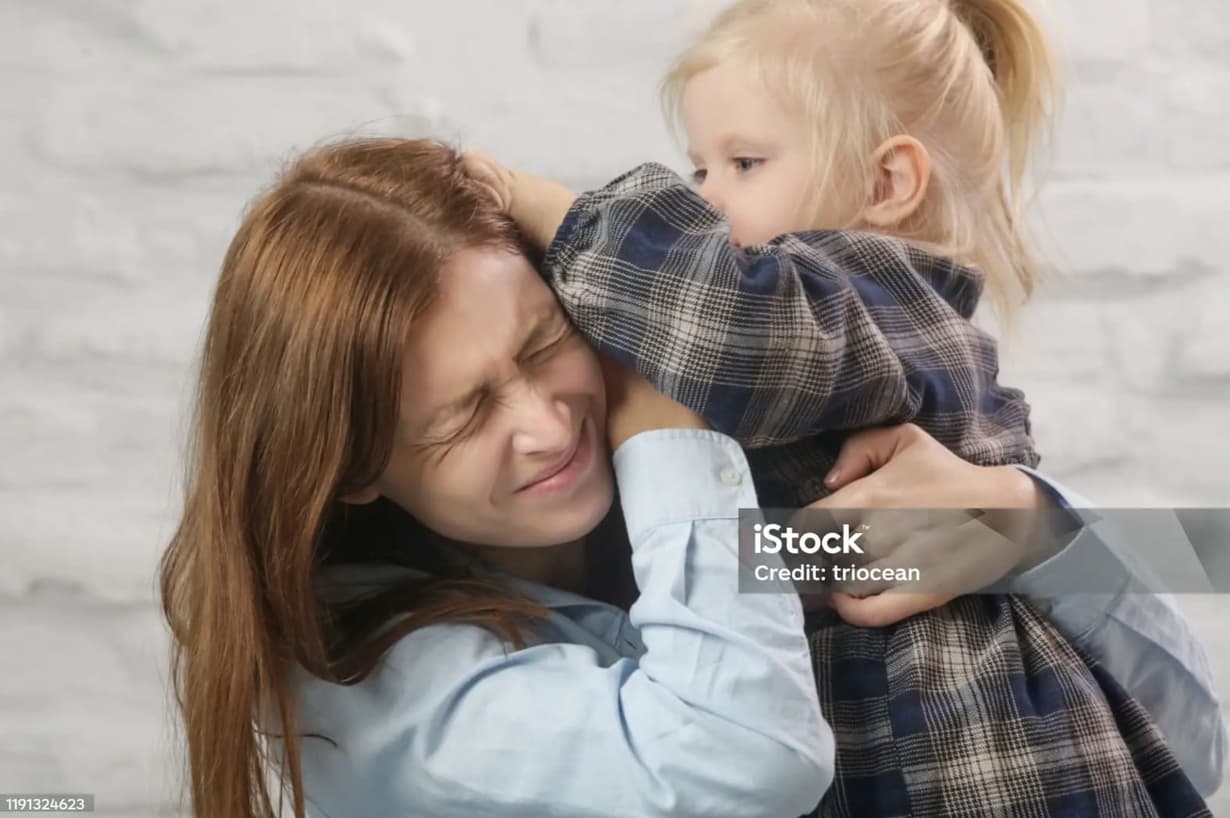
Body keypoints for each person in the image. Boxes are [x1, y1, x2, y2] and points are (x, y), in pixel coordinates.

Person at [160, 137, 1224, 818]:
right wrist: (666, 391)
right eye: (463, 413)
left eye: (541, 346)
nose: (543, 424)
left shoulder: (726, 527)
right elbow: (743, 766)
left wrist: (1023, 525)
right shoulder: (379, 691)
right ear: (346, 465)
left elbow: (1194, 734)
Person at [455, 0, 1227, 809]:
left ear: (887, 183)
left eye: (744, 164)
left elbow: (738, 332)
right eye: (699, 171)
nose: (707, 202)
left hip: (973, 748)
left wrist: (556, 212)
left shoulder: (872, 292)